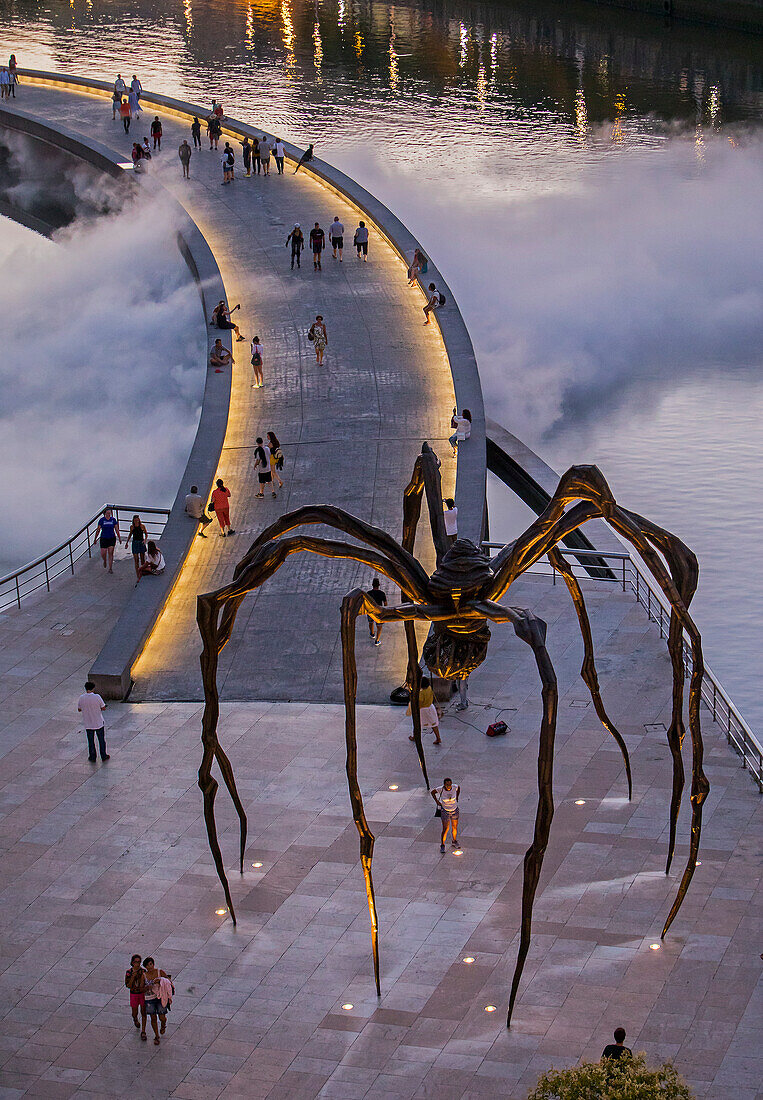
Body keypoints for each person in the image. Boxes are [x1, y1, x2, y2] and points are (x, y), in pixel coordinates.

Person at [77, 681, 109, 763]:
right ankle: (103, 755)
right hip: (98, 722)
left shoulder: (81, 698)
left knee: (91, 741)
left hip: (88, 723)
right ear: (93, 688)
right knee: (101, 740)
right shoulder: (97, 697)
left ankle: (92, 756)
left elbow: (79, 709)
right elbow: (103, 707)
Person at [142, 958, 169, 1045]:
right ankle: (156, 1036)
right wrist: (146, 988)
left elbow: (168, 981)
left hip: (159, 997)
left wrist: (160, 980)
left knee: (162, 1017)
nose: (150, 967)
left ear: (153, 964)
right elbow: (140, 987)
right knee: (153, 1018)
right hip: (149, 998)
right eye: (147, 965)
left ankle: (163, 1024)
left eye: (151, 964)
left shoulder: (159, 972)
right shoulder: (144, 976)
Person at [408, 675, 441, 745]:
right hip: (431, 708)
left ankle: (415, 737)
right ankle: (438, 738)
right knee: (434, 724)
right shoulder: (429, 688)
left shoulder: (421, 693)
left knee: (417, 724)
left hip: (423, 710)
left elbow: (419, 703)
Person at [431, 778, 460, 852]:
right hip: (445, 811)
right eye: (447, 785)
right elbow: (432, 792)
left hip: (454, 810)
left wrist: (457, 797)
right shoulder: (440, 789)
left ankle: (454, 841)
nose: (449, 786)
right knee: (445, 829)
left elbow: (458, 788)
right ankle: (442, 845)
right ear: (444, 785)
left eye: (450, 784)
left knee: (454, 827)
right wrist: (437, 801)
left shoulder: (454, 787)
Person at [125, 955, 147, 1039]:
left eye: (139, 962)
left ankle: (143, 1031)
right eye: (135, 962)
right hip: (134, 994)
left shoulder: (143, 971)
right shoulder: (129, 973)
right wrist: (133, 977)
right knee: (134, 1012)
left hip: (142, 994)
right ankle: (135, 1019)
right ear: (132, 962)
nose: (137, 964)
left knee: (143, 1012)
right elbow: (128, 985)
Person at [94, 507, 121, 572]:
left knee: (110, 553)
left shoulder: (113, 520)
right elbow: (98, 530)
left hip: (111, 538)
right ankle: (105, 560)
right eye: (108, 513)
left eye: (110, 513)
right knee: (103, 553)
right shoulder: (102, 520)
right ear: (105, 514)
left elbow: (116, 529)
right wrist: (95, 538)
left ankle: (110, 568)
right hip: (104, 538)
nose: (109, 514)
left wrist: (119, 538)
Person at [127, 514, 148, 583]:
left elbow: (146, 534)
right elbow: (130, 534)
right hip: (135, 543)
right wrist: (127, 542)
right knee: (136, 560)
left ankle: (143, 572)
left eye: (137, 520)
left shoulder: (142, 526)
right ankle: (138, 575)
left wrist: (145, 540)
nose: (136, 521)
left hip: (141, 543)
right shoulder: (132, 527)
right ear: (133, 521)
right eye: (135, 520)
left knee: (142, 559)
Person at [366, 577, 386, 645]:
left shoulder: (368, 593)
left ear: (372, 584)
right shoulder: (382, 593)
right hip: (379, 612)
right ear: (379, 585)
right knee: (379, 627)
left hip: (370, 611)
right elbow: (385, 604)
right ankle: (377, 641)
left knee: (370, 622)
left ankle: (372, 634)